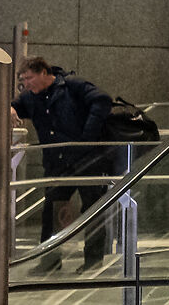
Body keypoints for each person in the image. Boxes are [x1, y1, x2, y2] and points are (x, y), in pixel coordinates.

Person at [11, 57, 117, 266]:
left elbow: (102, 100)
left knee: (92, 210)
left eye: (29, 78)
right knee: (51, 211)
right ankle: (49, 261)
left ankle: (92, 261)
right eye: (23, 80)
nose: (27, 84)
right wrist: (11, 108)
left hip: (86, 161)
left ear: (43, 72)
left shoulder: (72, 86)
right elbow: (15, 105)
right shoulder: (31, 98)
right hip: (57, 164)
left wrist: (88, 138)